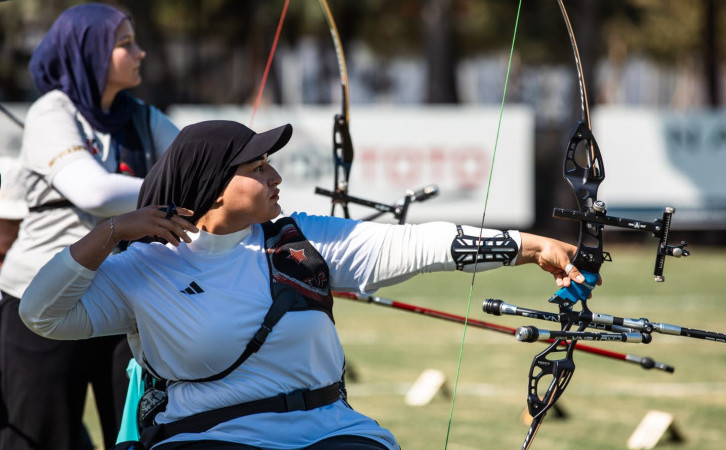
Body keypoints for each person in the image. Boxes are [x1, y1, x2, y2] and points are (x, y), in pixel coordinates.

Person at [18, 119, 590, 450]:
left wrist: (530, 245)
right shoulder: (143, 267)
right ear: (215, 187)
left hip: (329, 431)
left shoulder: (299, 239)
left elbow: (411, 244)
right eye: (259, 167)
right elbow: (41, 314)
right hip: (206, 439)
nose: (277, 175)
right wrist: (110, 233)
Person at [0, 4, 180, 449]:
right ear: (89, 53)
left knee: (141, 436)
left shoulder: (142, 116)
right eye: (124, 45)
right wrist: (170, 197)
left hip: (124, 303)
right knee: (40, 438)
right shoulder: (51, 112)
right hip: (41, 301)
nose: (139, 54)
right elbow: (93, 192)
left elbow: (198, 166)